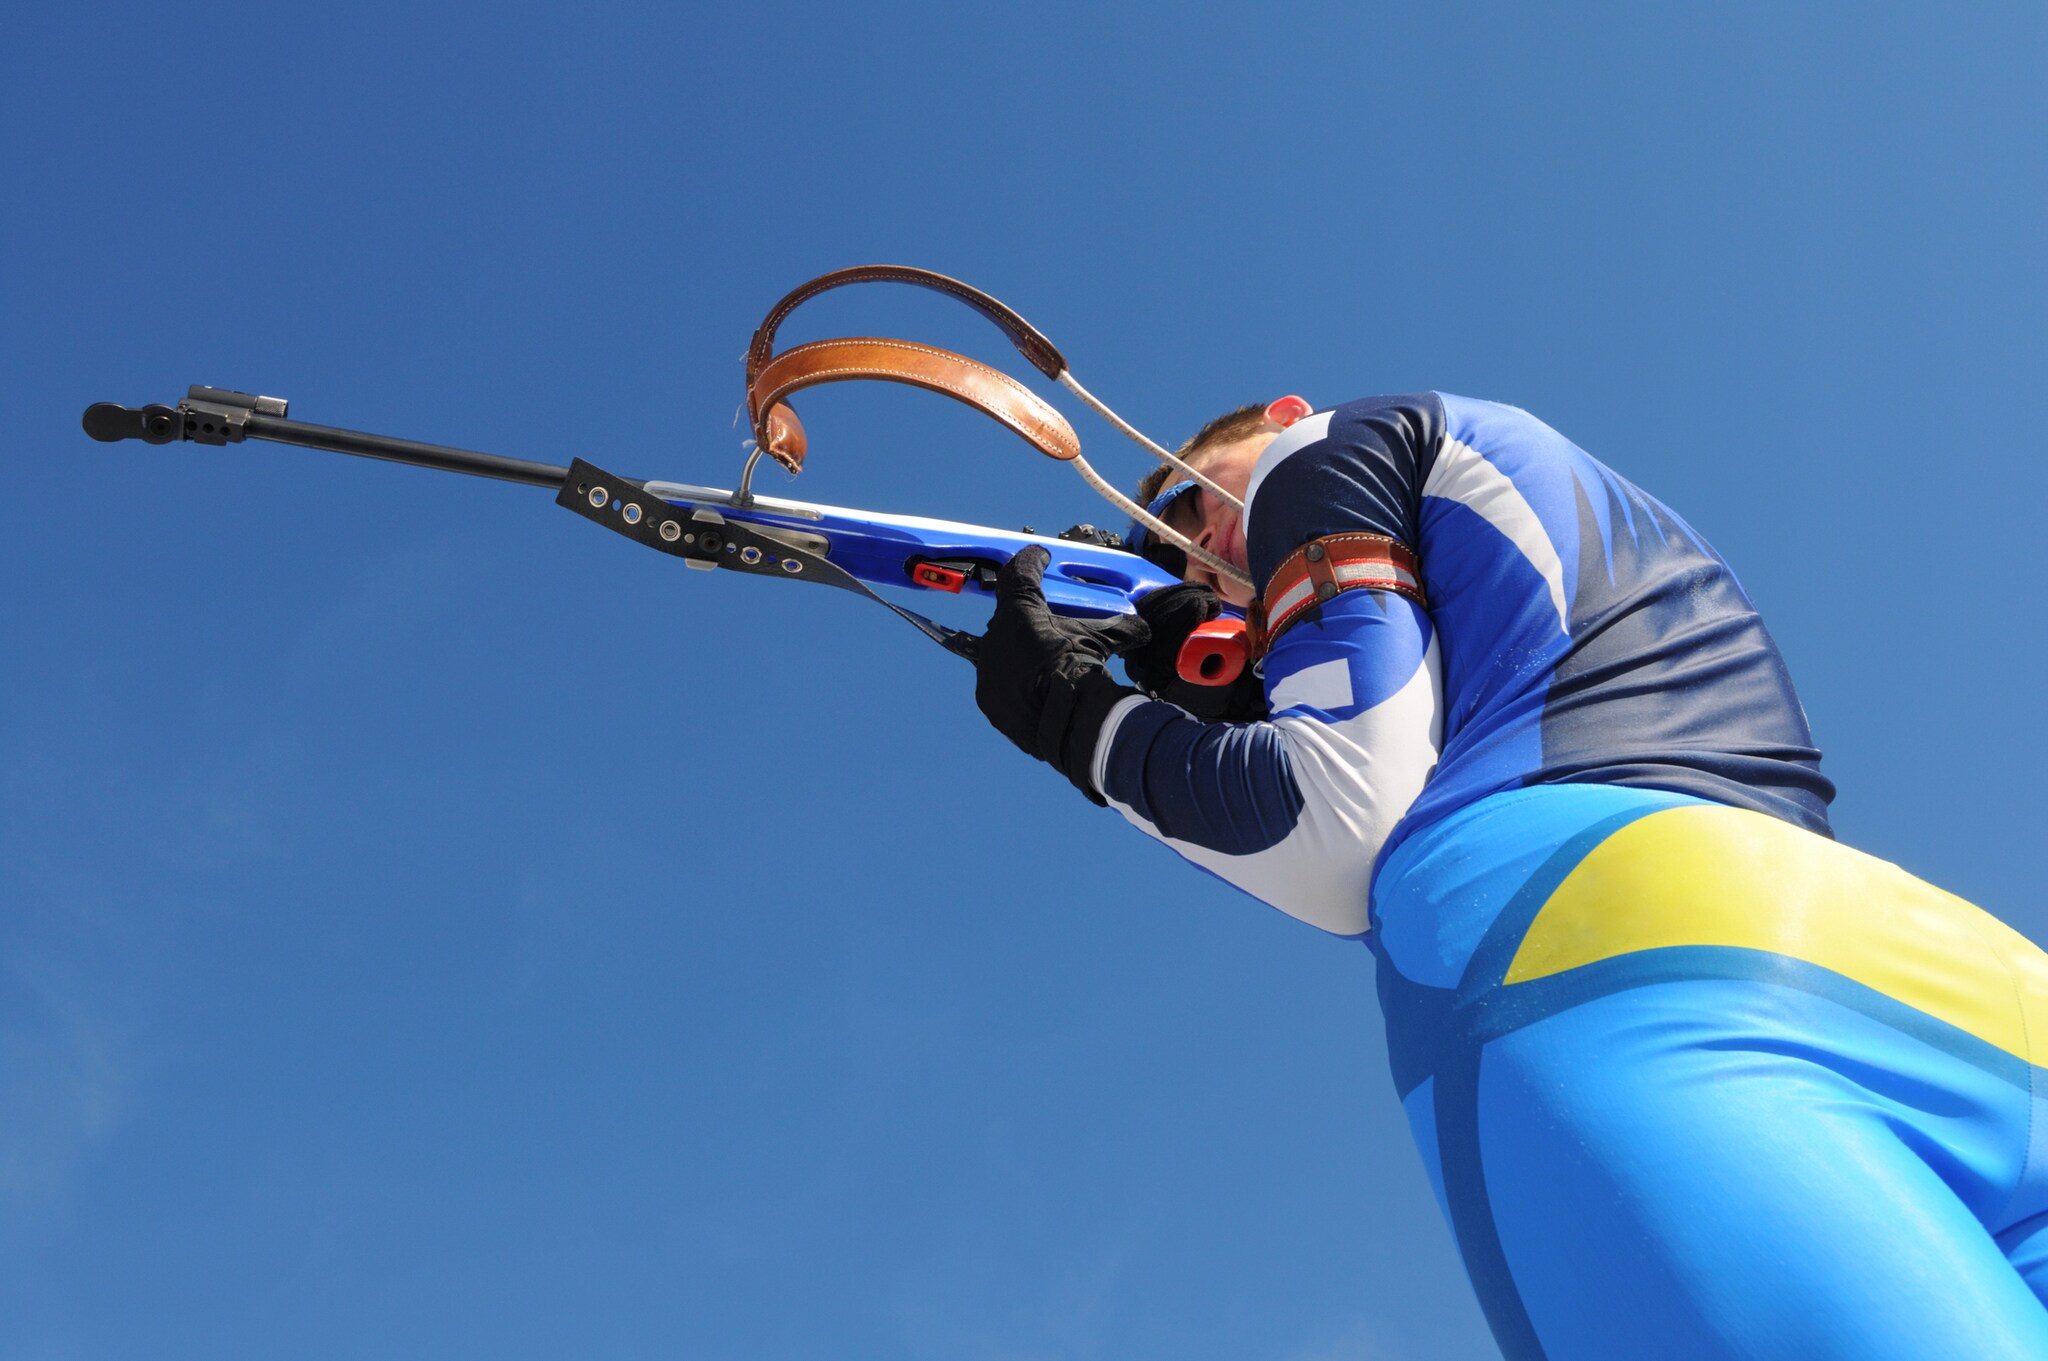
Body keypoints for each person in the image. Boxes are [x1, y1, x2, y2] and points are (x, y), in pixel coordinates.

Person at [972, 392, 2048, 1361]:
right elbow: (1484, 702)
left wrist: (1076, 718)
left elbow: (1336, 827)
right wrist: (1255, 685)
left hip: (1601, 968)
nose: (1190, 553)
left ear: (1279, 413)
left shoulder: (1314, 450)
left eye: (1183, 507)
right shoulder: (1541, 478)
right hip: (1946, 983)